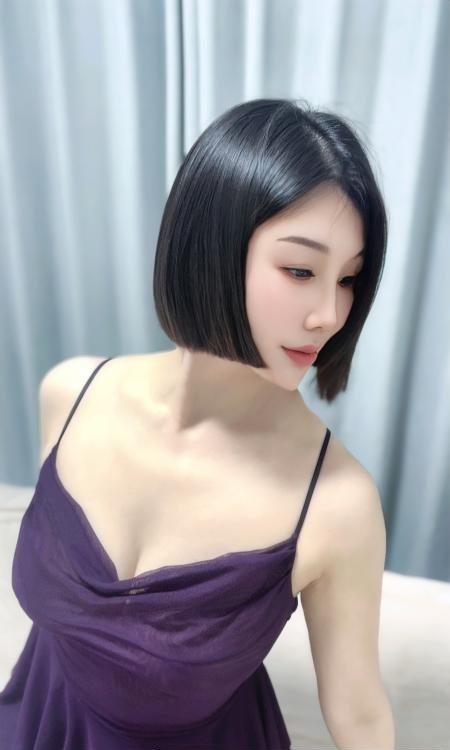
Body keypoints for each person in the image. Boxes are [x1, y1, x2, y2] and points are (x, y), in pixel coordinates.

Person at [0, 98, 395, 749]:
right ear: (211, 245)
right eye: (300, 270)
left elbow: (359, 714)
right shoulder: (69, 394)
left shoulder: (336, 504)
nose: (330, 314)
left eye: (349, 279)